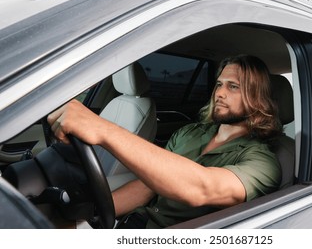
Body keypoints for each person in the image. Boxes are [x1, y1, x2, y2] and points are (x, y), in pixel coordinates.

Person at [47, 54, 282, 228]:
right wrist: (86, 218)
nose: (219, 93)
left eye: (233, 87)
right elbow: (147, 187)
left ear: (256, 98)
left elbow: (202, 187)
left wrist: (103, 130)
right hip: (133, 223)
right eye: (219, 84)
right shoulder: (189, 132)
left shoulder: (263, 161)